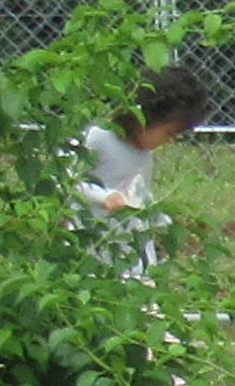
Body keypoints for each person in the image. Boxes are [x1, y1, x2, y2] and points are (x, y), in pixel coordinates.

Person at [76, 61, 213, 265]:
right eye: (169, 133)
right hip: (90, 238)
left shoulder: (143, 155)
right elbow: (66, 182)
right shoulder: (98, 137)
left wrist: (158, 216)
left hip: (127, 240)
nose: (169, 141)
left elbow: (139, 191)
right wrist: (103, 197)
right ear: (147, 117)